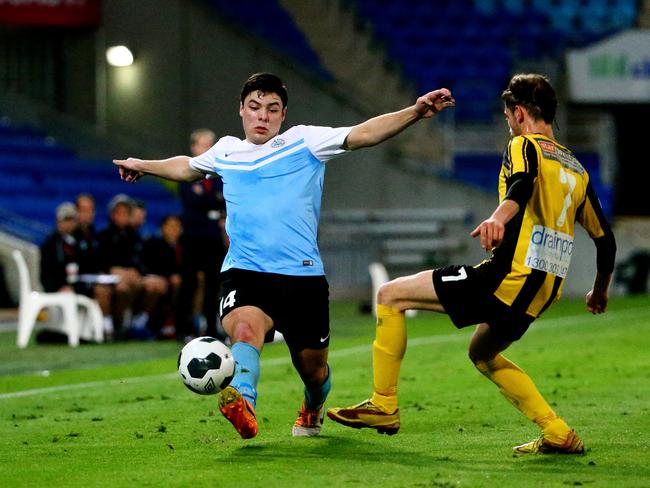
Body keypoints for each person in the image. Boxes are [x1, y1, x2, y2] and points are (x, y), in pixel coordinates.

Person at [113, 72, 455, 439]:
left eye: (272, 109)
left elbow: (365, 133)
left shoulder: (305, 141)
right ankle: (243, 401)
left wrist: (415, 112)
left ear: (283, 115)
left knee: (314, 370)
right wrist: (143, 165)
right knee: (244, 329)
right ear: (241, 110)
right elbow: (188, 167)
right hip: (245, 271)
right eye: (255, 107)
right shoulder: (226, 150)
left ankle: (312, 404)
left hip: (302, 277)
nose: (263, 116)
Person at [327, 74, 616, 455]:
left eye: (507, 115)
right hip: (543, 289)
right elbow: (605, 239)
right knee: (482, 353)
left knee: (390, 295)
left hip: (508, 275)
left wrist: (498, 217)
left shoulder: (523, 146)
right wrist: (600, 288)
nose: (507, 122)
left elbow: (522, 185)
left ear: (518, 112)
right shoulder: (576, 168)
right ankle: (557, 431)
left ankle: (383, 403)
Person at [176, 128, 227, 341]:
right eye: (203, 144)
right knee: (189, 283)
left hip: (212, 238)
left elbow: (222, 200)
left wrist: (209, 202)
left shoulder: (219, 175)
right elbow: (196, 201)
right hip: (192, 236)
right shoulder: (186, 170)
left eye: (210, 144)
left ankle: (212, 329)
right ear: (194, 147)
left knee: (213, 284)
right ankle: (184, 329)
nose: (207, 149)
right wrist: (212, 203)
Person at [141, 214, 184, 338]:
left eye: (177, 226)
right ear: (162, 228)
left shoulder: (185, 246)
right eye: (170, 226)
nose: (174, 229)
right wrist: (169, 276)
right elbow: (151, 266)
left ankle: (195, 321)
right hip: (160, 280)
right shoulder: (153, 244)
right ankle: (147, 321)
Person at [40, 202, 80, 293]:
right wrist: (57, 289)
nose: (69, 223)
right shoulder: (50, 244)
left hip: (79, 288)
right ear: (58, 221)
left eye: (72, 219)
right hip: (58, 289)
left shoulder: (81, 241)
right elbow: (46, 273)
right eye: (66, 220)